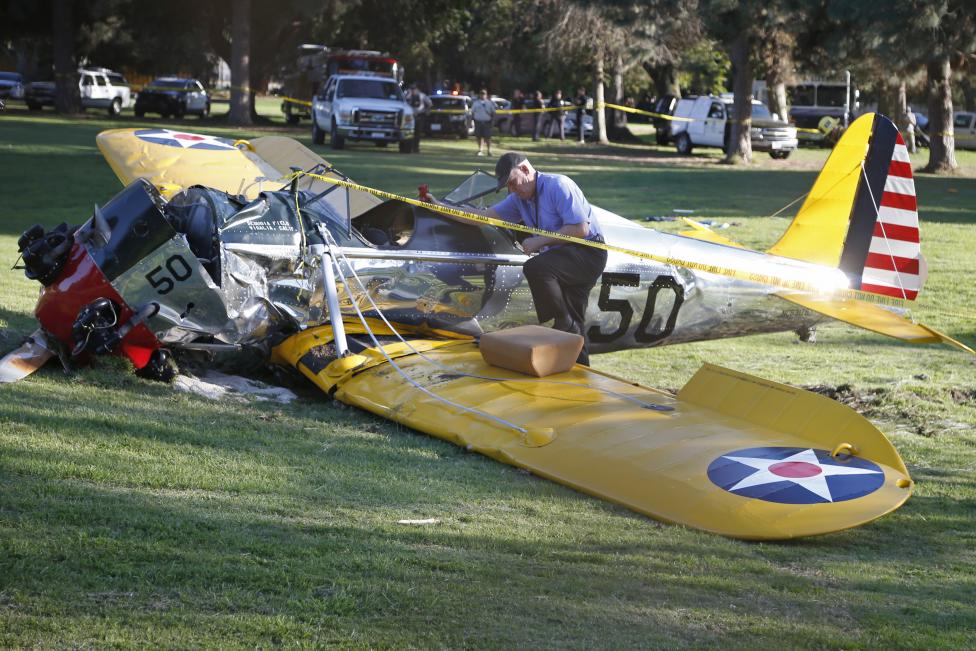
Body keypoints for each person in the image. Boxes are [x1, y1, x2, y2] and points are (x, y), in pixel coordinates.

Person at [421, 152, 606, 365]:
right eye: (508, 186)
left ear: (525, 170)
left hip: (587, 252)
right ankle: (580, 368)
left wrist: (539, 241)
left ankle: (561, 321)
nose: (512, 189)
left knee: (537, 268)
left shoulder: (558, 185)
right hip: (562, 257)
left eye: (513, 182)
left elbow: (580, 229)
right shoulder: (519, 199)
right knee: (575, 322)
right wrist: (437, 206)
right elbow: (481, 217)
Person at [405, 84, 432, 153]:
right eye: (411, 89)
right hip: (410, 116)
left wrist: (427, 111)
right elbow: (404, 103)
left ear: (417, 89)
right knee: (409, 132)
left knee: (417, 133)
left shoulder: (422, 96)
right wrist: (408, 96)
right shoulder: (408, 96)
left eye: (414, 89)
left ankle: (416, 148)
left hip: (420, 116)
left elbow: (429, 104)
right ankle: (409, 147)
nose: (413, 91)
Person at [472, 89, 496, 156]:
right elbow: (473, 112)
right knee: (479, 136)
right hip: (478, 121)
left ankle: (489, 150)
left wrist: (493, 121)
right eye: (481, 94)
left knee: (488, 137)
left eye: (484, 94)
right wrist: (472, 120)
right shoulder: (476, 103)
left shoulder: (489, 103)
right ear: (479, 95)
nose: (482, 95)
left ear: (486, 95)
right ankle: (480, 150)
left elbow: (493, 113)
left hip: (487, 122)